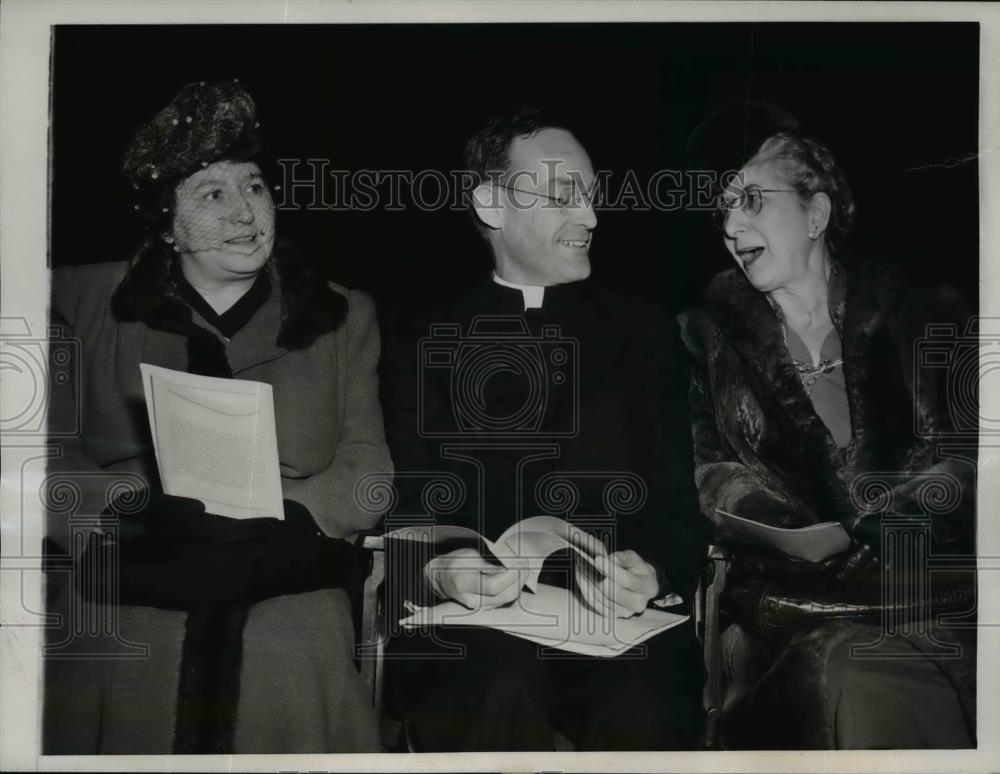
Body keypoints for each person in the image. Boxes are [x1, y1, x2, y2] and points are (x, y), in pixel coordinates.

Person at [43, 80, 391, 753]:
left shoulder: (342, 317)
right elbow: (44, 461)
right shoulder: (80, 304)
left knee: (286, 653)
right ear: (167, 226)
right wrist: (137, 512)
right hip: (131, 558)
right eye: (212, 194)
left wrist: (290, 517)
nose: (244, 212)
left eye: (255, 186)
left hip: (286, 563)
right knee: (119, 656)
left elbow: (367, 467)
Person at [380, 108, 709, 751]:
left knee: (642, 701)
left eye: (590, 196)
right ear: (492, 206)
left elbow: (677, 501)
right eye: (563, 196)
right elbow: (408, 505)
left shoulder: (644, 334)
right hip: (474, 626)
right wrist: (444, 569)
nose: (589, 217)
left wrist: (657, 572)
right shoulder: (420, 339)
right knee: (497, 683)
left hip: (622, 626)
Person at [679, 130, 976, 748]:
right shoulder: (704, 337)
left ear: (816, 213)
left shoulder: (928, 314)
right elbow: (712, 472)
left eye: (753, 201)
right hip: (794, 610)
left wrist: (887, 517)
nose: (732, 224)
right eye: (724, 210)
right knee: (854, 672)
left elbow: (973, 454)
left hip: (932, 592)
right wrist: (791, 530)